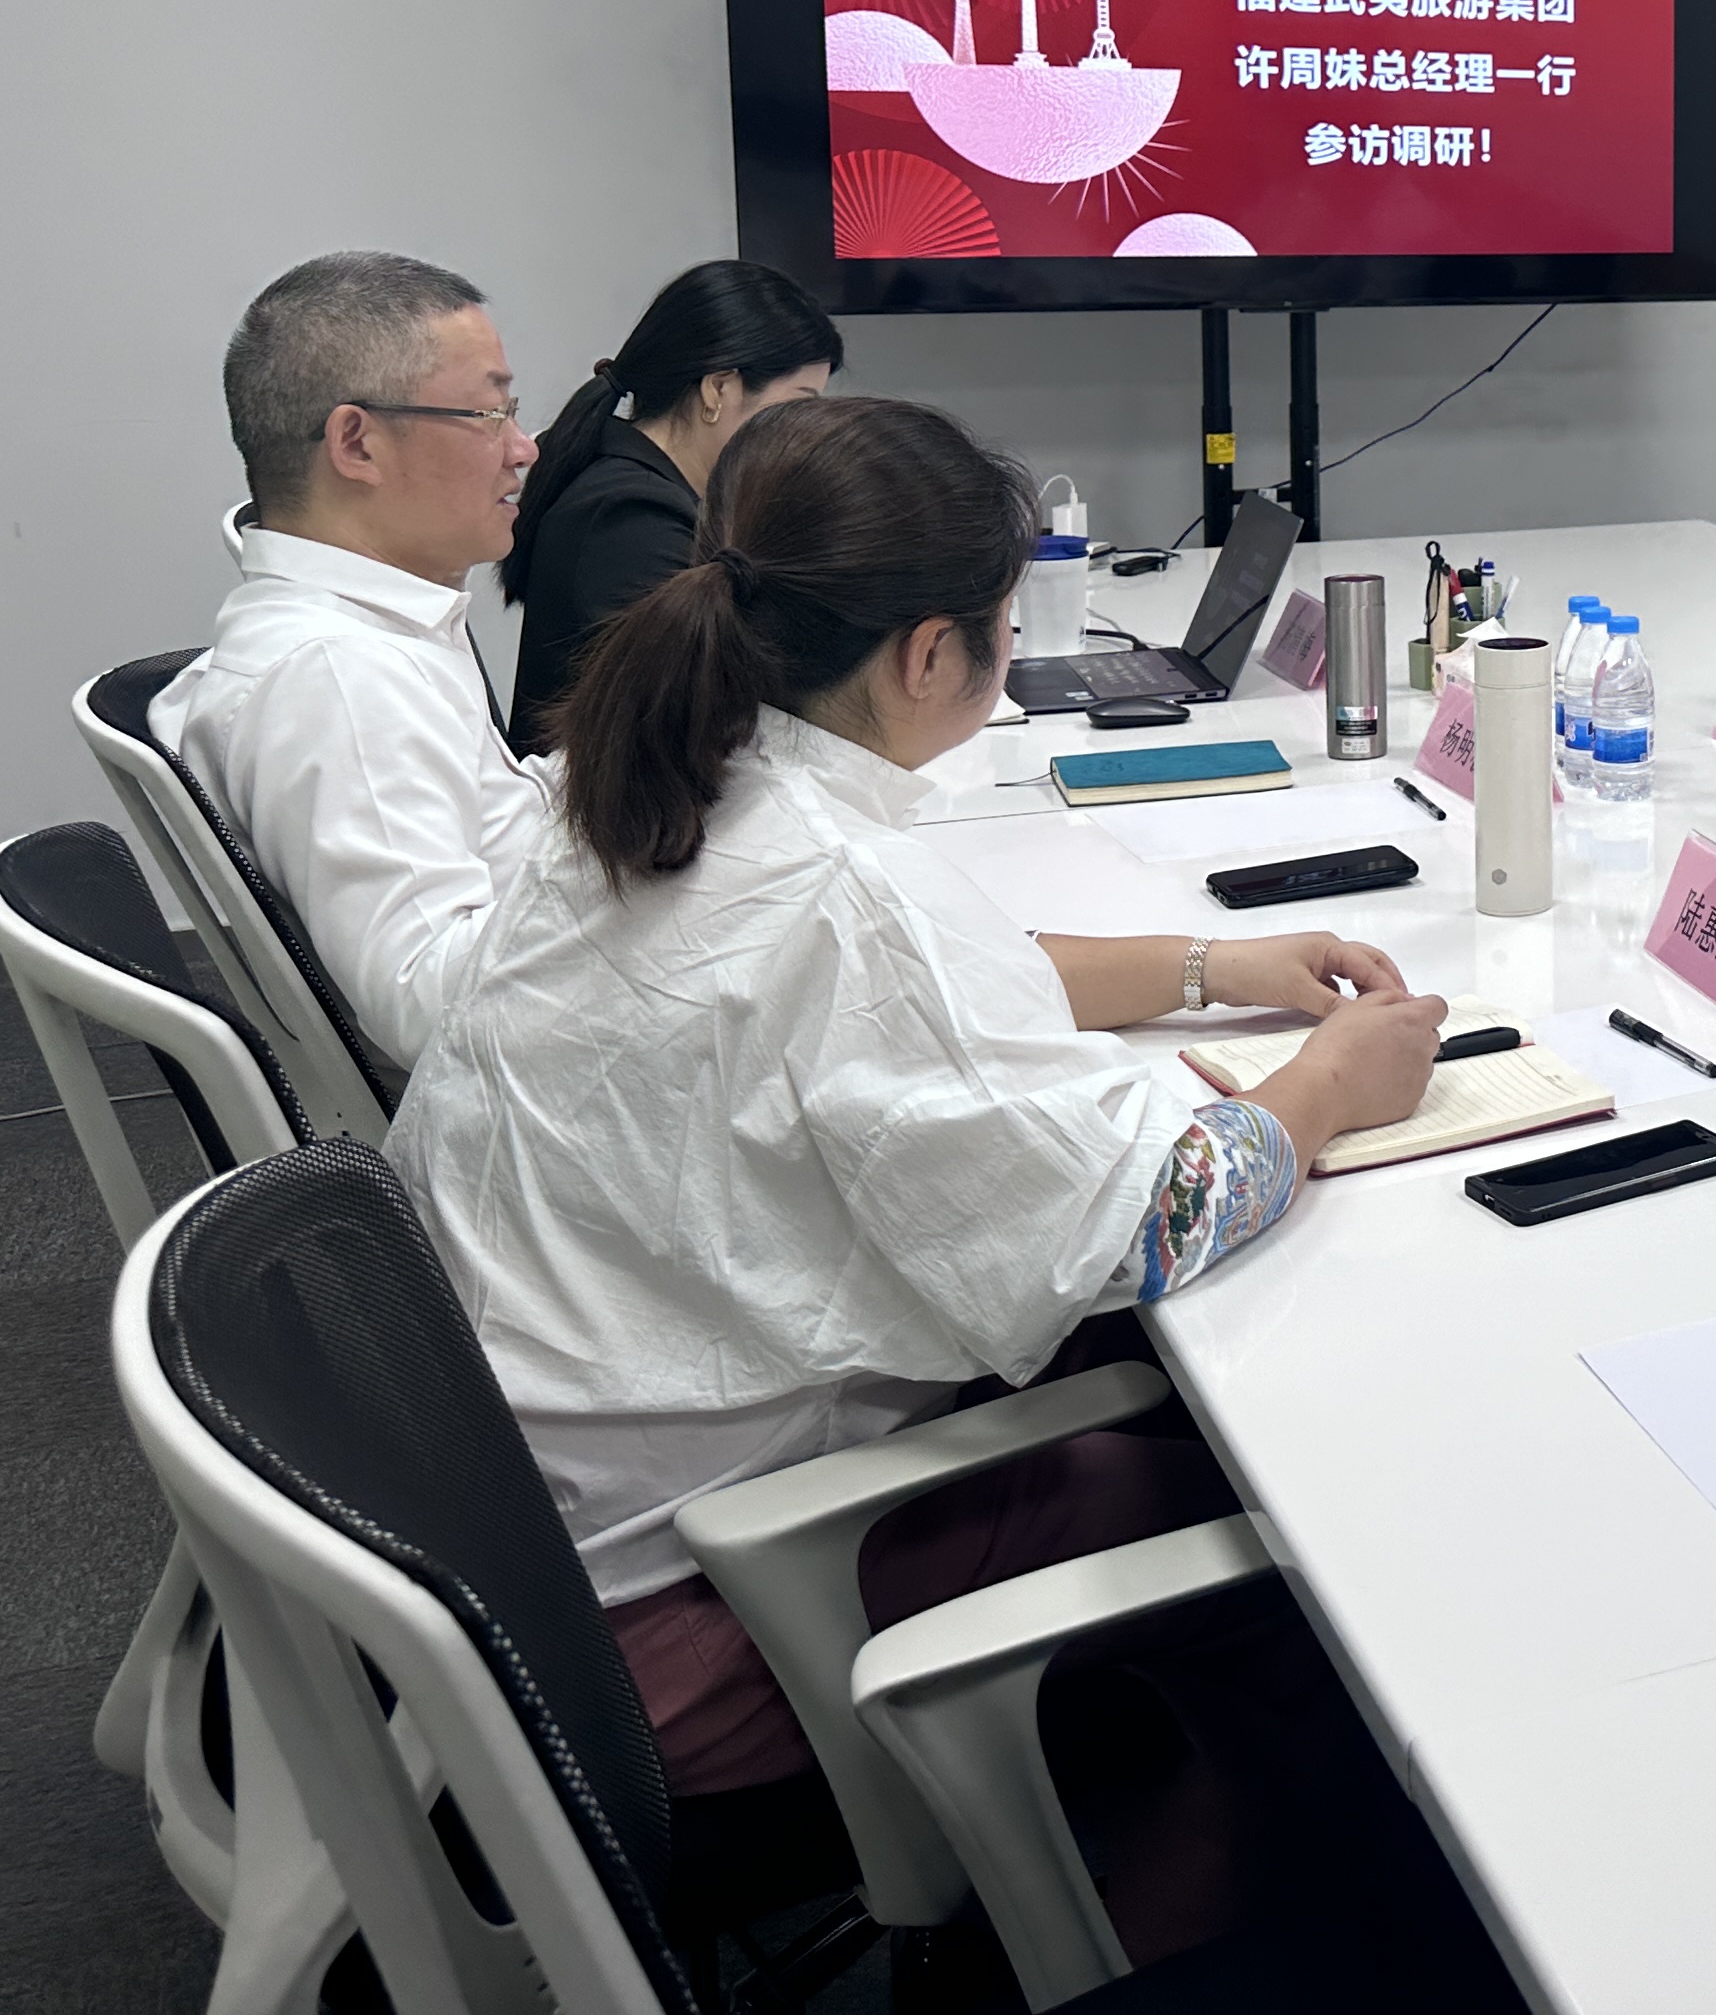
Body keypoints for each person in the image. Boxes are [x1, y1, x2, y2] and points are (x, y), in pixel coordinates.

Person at [392, 392, 1445, 1825]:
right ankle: (1180, 1888)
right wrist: (1327, 1089)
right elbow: (1154, 1221)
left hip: (519, 1522)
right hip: (685, 1624)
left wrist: (1210, 968)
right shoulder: (845, 894)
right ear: (933, 653)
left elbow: (911, 991)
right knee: (1311, 1529)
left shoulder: (640, 782)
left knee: (1158, 1410)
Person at [155, 252, 551, 1068]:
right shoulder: (344, 680)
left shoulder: (375, 634)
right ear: (357, 443)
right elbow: (433, 1006)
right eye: (490, 413)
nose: (523, 449)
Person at [502, 259, 840, 750]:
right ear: (719, 389)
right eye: (799, 404)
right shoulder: (629, 518)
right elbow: (711, 703)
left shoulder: (649, 490)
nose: (803, 433)